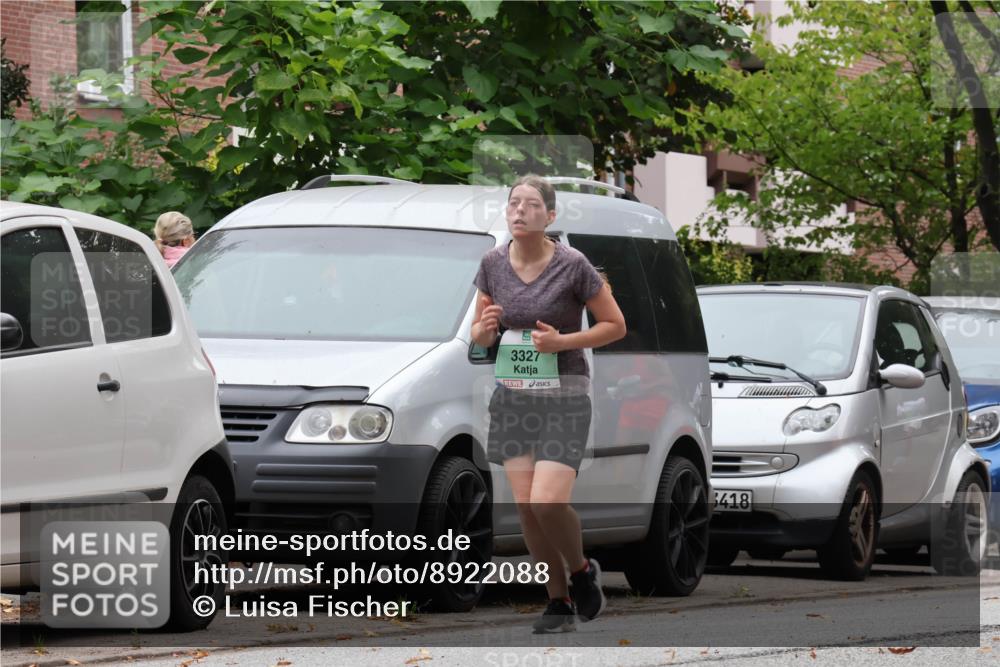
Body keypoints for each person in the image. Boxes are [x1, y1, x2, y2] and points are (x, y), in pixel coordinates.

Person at [470, 175, 627, 633]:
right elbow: (481, 335)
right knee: (524, 506)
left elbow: (614, 325)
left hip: (565, 396)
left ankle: (581, 570)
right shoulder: (492, 264)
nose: (519, 211)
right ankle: (557, 601)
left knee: (548, 502)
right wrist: (486, 329)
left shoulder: (573, 264)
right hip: (513, 396)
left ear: (550, 216)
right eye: (513, 203)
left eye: (531, 204)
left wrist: (563, 342)